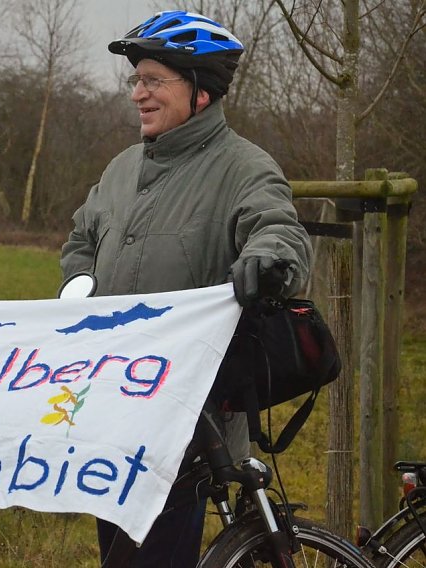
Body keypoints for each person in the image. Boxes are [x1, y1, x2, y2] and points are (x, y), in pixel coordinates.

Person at [60, 10, 312, 567]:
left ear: (200, 91)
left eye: (153, 81)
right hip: (112, 413)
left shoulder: (243, 167)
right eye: (136, 80)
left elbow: (277, 227)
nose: (137, 94)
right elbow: (82, 234)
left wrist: (269, 258)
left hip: (189, 423)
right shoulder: (122, 168)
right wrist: (78, 283)